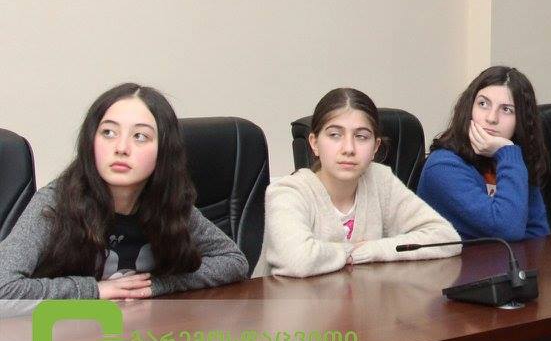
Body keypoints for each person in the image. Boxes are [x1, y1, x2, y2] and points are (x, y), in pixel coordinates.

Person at [0, 83, 248, 299]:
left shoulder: (168, 203)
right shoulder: (55, 203)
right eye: (108, 133)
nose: (121, 148)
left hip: (144, 330)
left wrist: (157, 285)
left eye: (140, 136)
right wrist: (95, 290)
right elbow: (4, 287)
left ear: (164, 151)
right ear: (91, 142)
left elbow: (234, 261)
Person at [256, 88, 459, 278]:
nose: (349, 148)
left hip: (364, 300)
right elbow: (297, 260)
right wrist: (351, 251)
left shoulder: (380, 180)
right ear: (314, 143)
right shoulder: (287, 192)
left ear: (375, 147)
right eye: (335, 135)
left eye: (361, 137)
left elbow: (447, 238)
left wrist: (373, 250)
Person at [418, 66, 550, 241]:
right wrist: (508, 153)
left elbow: (538, 234)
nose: (491, 118)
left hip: (509, 259)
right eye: (483, 104)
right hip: (457, 260)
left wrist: (508, 156)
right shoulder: (443, 166)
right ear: (469, 109)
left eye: (506, 109)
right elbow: (506, 229)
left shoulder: (512, 161)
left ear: (521, 120)